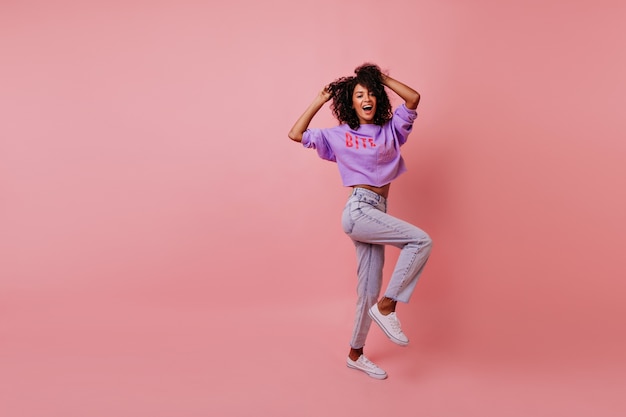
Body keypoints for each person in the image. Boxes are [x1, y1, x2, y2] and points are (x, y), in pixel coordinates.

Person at [288, 63, 433, 380]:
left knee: (366, 293)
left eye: (370, 94)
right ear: (350, 103)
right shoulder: (340, 135)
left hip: (376, 212)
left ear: (378, 99)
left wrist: (379, 79)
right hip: (359, 210)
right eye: (359, 94)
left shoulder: (390, 132)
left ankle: (355, 354)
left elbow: (413, 98)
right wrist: (317, 101)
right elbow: (296, 134)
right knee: (420, 240)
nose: (366, 98)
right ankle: (387, 307)